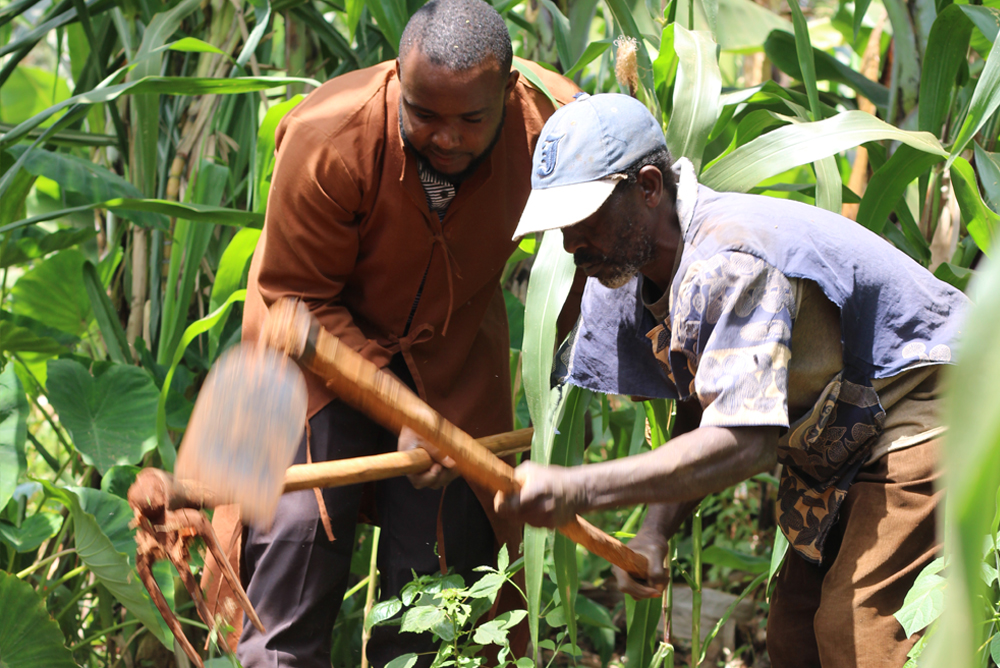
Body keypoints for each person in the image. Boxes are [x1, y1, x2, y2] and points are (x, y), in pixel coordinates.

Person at [492, 93, 968, 667]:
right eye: (562, 227)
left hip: (929, 407)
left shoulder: (729, 258)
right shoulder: (634, 270)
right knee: (794, 636)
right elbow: (706, 404)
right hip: (846, 439)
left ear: (648, 187)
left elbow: (744, 441)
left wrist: (581, 488)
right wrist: (657, 530)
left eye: (584, 219)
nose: (570, 245)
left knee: (858, 632)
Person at [199, 2, 579, 666]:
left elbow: (597, 253)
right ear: (399, 80)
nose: (448, 139)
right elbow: (296, 300)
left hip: (455, 366)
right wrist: (400, 413)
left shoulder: (557, 128)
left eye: (471, 120)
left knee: (439, 605)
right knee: (283, 585)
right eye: (424, 114)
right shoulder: (327, 135)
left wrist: (582, 372)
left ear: (509, 91)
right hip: (298, 367)